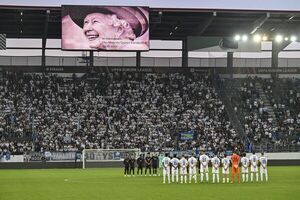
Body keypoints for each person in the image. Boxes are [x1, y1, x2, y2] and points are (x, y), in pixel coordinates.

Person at [63, 6, 149, 50]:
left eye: (95, 21)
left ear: (119, 30)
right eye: (86, 22)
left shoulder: (138, 48)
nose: (86, 28)